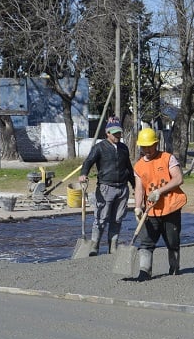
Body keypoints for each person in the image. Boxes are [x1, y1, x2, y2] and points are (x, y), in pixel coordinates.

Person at [133, 127, 187, 280]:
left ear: (156, 144)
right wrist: (137, 207)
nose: (147, 149)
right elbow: (139, 188)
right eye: (144, 147)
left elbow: (178, 179)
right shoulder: (139, 166)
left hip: (171, 207)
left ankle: (174, 269)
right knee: (146, 241)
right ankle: (144, 271)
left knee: (172, 241)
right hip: (151, 210)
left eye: (150, 146)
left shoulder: (167, 158)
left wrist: (159, 191)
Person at [78, 117, 133, 255]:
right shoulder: (99, 147)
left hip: (122, 188)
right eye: (114, 133)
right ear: (107, 133)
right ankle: (94, 245)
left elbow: (129, 168)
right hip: (105, 188)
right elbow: (88, 162)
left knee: (117, 218)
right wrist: (83, 174)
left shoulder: (123, 148)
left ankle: (112, 246)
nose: (117, 136)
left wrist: (134, 184)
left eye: (119, 133)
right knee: (101, 218)